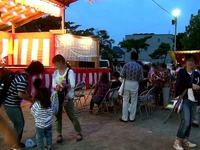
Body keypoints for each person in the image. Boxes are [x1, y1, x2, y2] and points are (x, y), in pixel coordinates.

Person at [4, 61, 44, 148]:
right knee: (19, 124)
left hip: (9, 103)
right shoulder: (23, 79)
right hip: (11, 105)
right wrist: (31, 100)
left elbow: (21, 92)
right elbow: (21, 94)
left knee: (17, 124)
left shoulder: (20, 75)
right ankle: (14, 145)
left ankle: (16, 142)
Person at [52, 54, 82, 143]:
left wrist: (64, 85)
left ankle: (79, 132)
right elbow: (53, 84)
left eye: (56, 64)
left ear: (61, 62)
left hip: (67, 96)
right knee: (58, 116)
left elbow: (72, 85)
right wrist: (57, 86)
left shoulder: (70, 72)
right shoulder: (55, 72)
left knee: (72, 115)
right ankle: (59, 134)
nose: (55, 66)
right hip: (58, 96)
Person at [173, 54, 200, 150]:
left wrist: (198, 87)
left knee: (190, 122)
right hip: (185, 100)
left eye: (192, 60)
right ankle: (177, 142)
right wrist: (191, 85)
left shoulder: (197, 74)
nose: (191, 62)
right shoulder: (182, 72)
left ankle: (185, 139)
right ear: (186, 62)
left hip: (194, 101)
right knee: (186, 121)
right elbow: (179, 84)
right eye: (189, 60)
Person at [119, 51, 144, 123]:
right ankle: (132, 118)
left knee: (125, 100)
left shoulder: (126, 65)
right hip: (135, 83)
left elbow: (122, 75)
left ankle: (124, 118)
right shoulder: (139, 66)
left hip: (127, 83)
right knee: (134, 101)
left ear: (130, 57)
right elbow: (141, 78)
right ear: (137, 58)